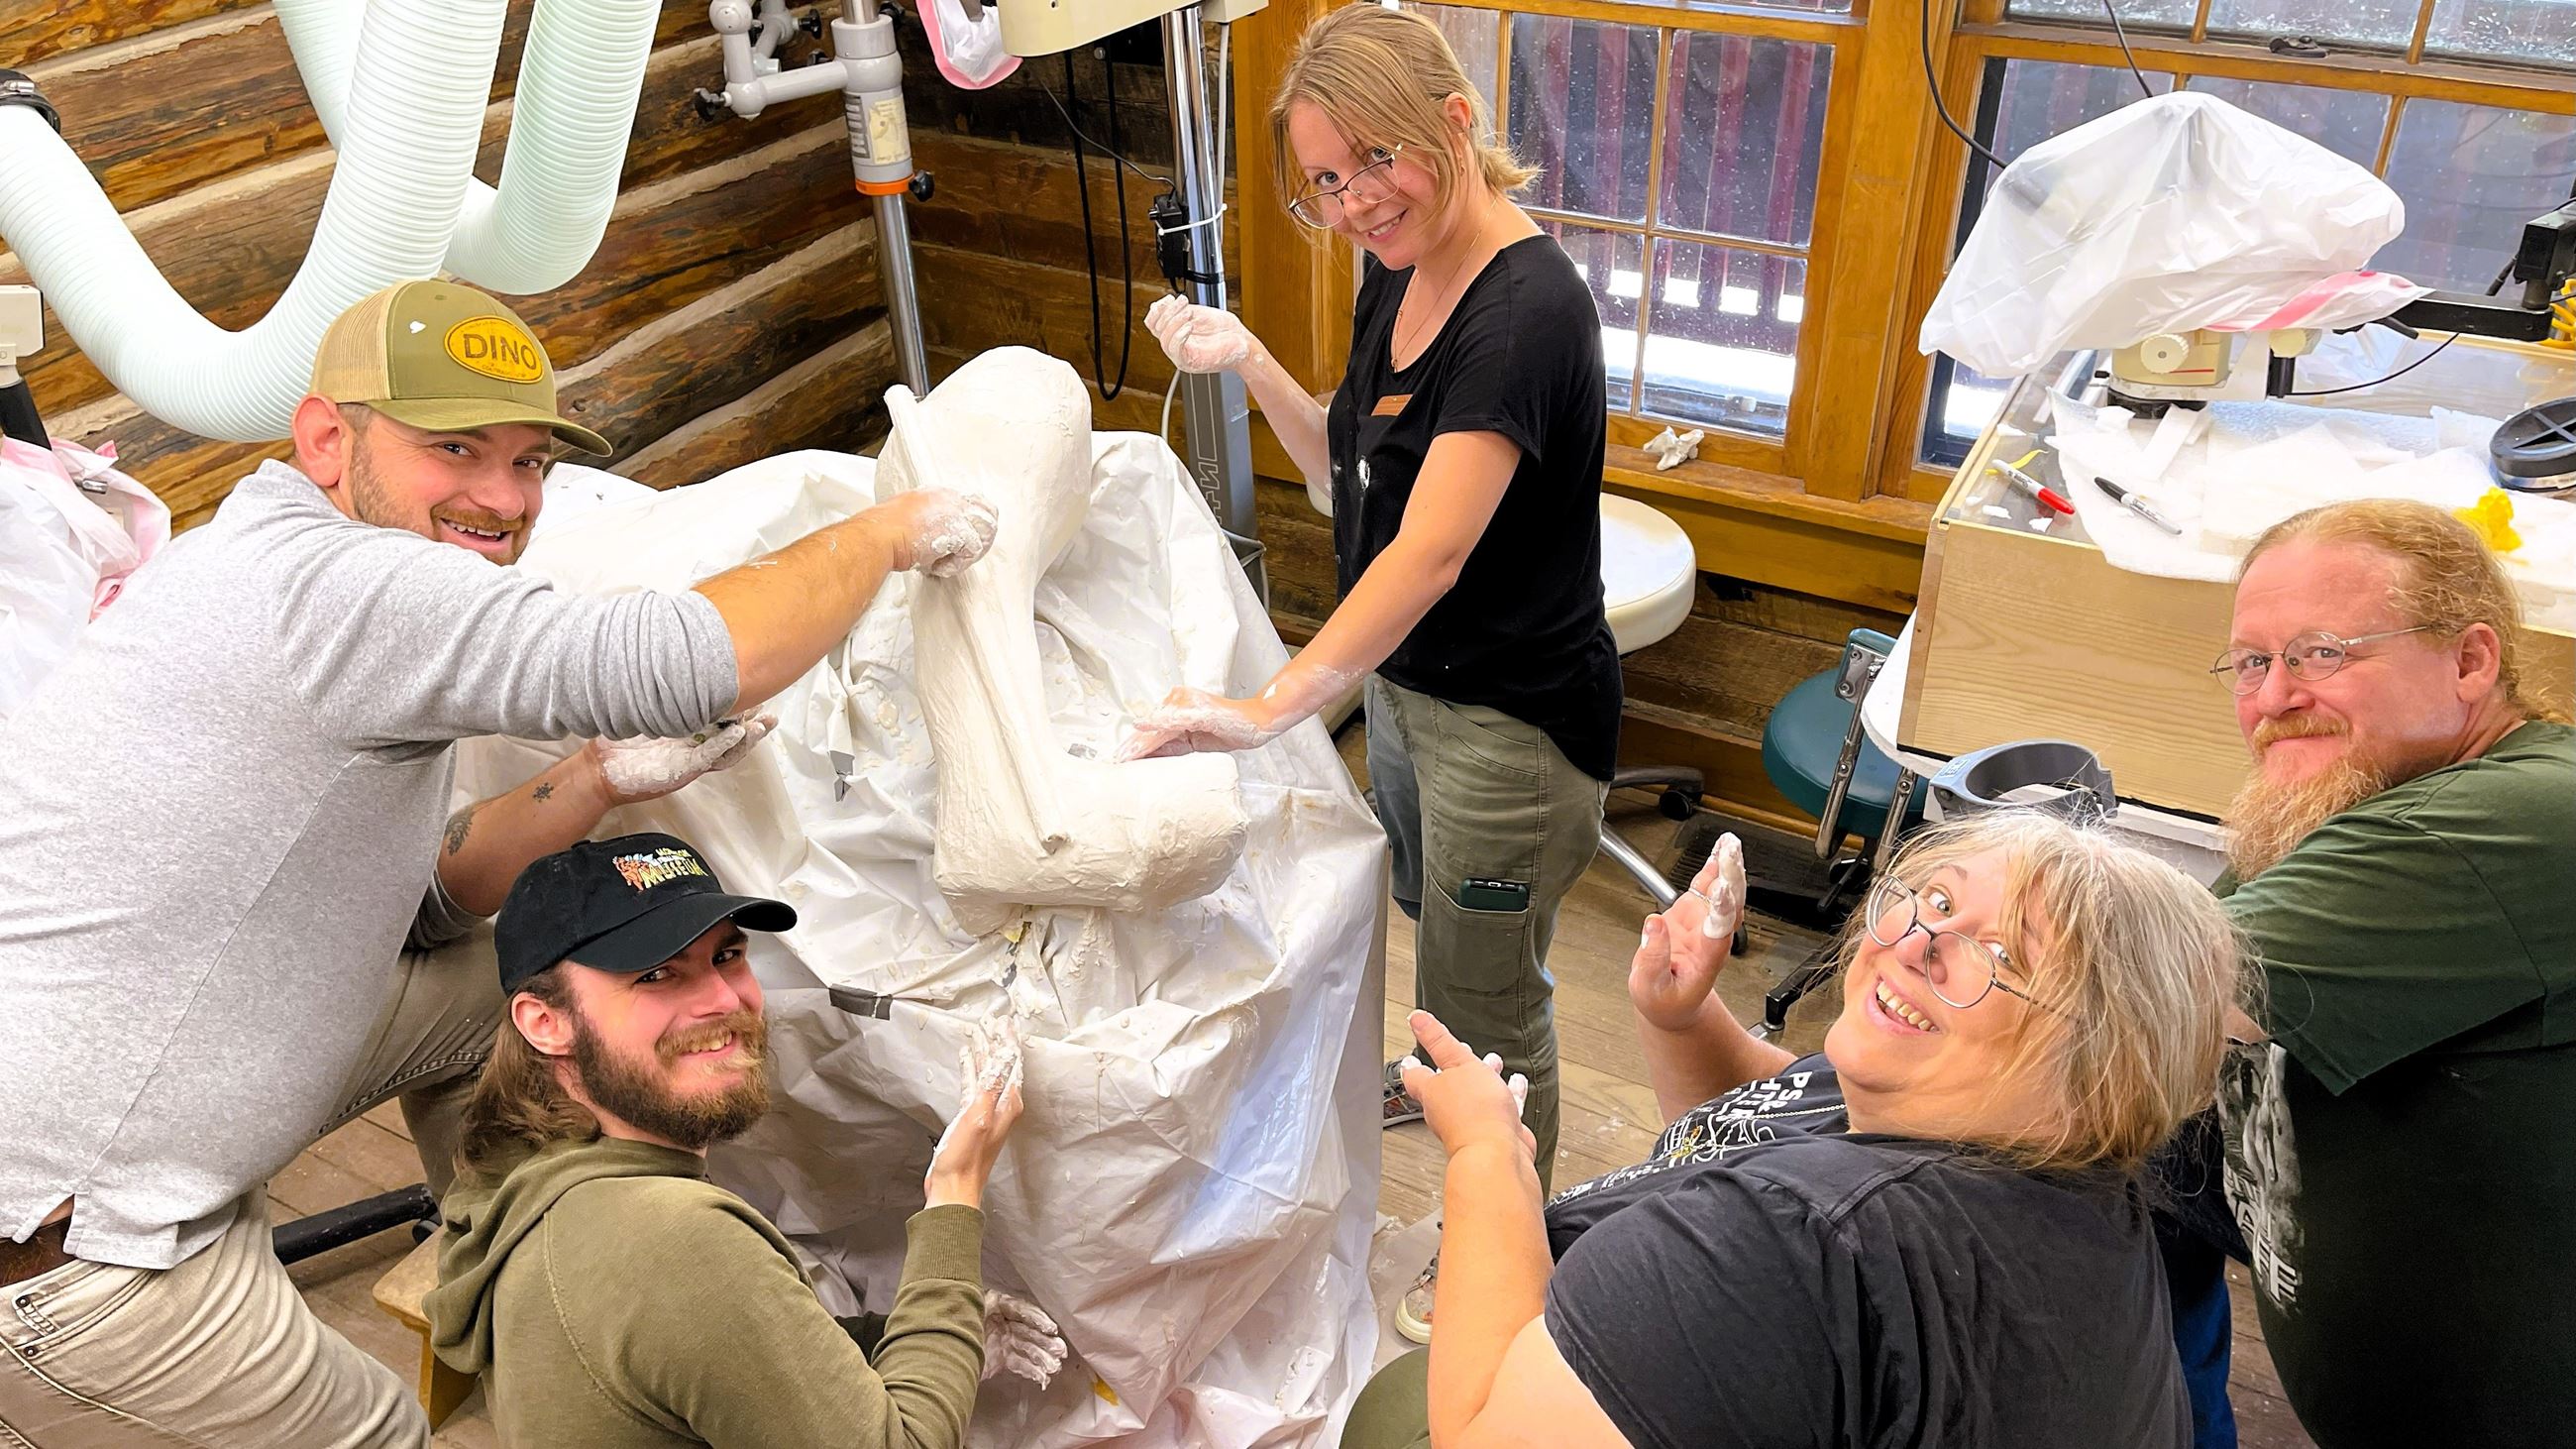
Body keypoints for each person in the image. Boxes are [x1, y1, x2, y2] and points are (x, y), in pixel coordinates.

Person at [0, 280, 998, 1447]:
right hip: (74, 1238)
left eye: (528, 463)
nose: (502, 497)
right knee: (378, 1433)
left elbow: (422, 907)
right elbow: (681, 659)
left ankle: (524, 1264)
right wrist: (885, 531)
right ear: (326, 439)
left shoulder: (266, 557)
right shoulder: (347, 587)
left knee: (512, 988)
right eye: (454, 448)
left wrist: (592, 782)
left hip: (144, 1092)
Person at [1125, 2, 1617, 1205]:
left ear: (1453, 119)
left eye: (1375, 161)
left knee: (1492, 1005)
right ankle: (1440, 1071)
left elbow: (1427, 554)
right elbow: (1343, 476)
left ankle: (1510, 1242)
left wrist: (1269, 707)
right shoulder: (1396, 274)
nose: (1353, 203)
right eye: (1326, 182)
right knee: (1435, 931)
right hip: (1406, 689)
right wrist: (1247, 359)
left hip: (1506, 724)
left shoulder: (1522, 318)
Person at [1342, 811, 2245, 1449]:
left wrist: (1487, 1157)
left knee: (1395, 1416)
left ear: (2098, 1069)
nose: (1917, 942)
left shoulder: (1787, 1251)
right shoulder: (2056, 1163)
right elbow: (1780, 1113)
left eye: (2002, 955)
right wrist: (1683, 1021)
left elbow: (1484, 1438)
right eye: (1938, 900)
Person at [2161, 498, 2576, 1449]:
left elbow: (2134, 994)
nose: (2273, 698)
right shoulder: (2344, 800)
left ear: (2471, 662)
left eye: (2320, 653)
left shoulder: (2508, 823)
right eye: (2252, 662)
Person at [425, 833, 1062, 1447]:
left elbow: (712, 1357)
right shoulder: (675, 1243)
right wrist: (955, 1192)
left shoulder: (525, 1166)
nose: (723, 999)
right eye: (656, 975)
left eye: (726, 956)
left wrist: (929, 1331)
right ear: (546, 1022)